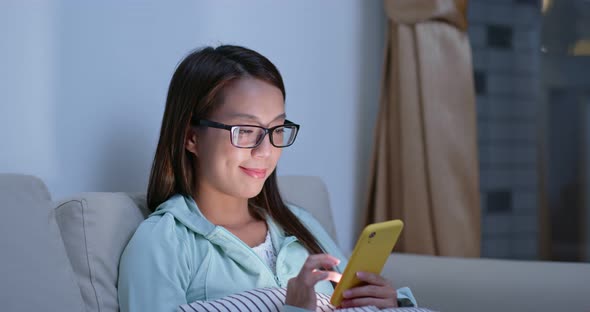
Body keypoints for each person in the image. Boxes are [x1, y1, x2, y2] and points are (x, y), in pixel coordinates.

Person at [117, 45, 416, 312]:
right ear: (191, 137)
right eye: (245, 130)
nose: (265, 151)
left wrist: (386, 301)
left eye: (276, 129)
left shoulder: (298, 222)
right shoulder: (161, 243)